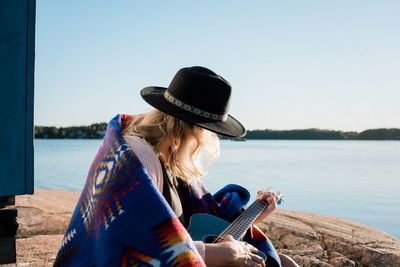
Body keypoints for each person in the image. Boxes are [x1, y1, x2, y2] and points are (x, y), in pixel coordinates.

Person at [54, 66, 299, 267]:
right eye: (210, 132)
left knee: (284, 262)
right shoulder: (137, 158)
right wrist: (222, 254)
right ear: (194, 130)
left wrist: (251, 216)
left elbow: (194, 223)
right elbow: (131, 246)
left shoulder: (164, 154)